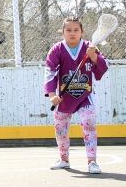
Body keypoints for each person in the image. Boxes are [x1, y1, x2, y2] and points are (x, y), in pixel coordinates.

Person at [43, 17, 109, 174]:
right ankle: (64, 159)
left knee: (89, 123)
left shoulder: (90, 47)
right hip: (64, 98)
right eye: (68, 30)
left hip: (85, 96)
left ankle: (92, 161)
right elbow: (50, 72)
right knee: (60, 129)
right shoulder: (56, 50)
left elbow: (103, 67)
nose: (72, 33)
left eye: (76, 30)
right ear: (63, 32)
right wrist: (52, 95)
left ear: (82, 32)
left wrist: (94, 56)